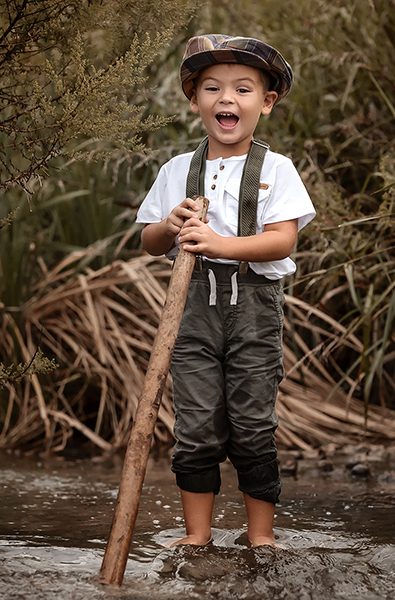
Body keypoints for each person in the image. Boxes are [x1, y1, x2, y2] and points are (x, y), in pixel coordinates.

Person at [136, 34, 315, 548]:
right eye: (212, 88)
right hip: (192, 310)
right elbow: (149, 242)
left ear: (267, 102)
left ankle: (261, 536)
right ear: (195, 100)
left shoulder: (276, 169)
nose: (226, 99)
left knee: (252, 424)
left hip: (254, 311)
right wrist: (170, 226)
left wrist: (219, 243)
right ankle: (198, 535)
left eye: (242, 89)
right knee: (195, 425)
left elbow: (282, 240)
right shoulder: (176, 170)